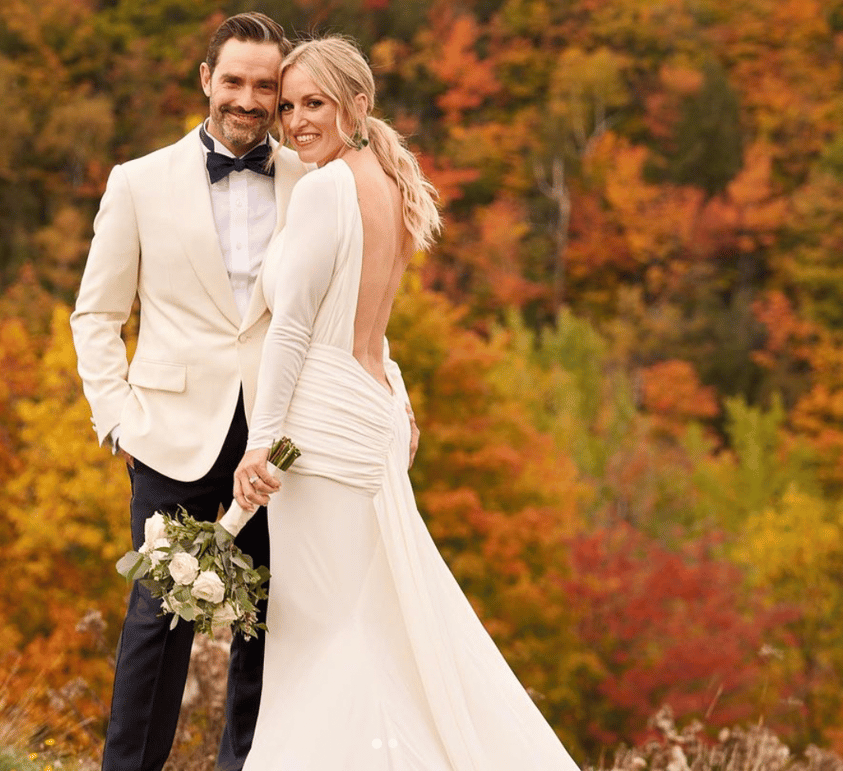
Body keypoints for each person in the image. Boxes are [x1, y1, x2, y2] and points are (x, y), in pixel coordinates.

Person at [231, 35, 583, 770]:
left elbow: (294, 327)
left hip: (321, 430)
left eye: (314, 103)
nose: (294, 121)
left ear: (357, 104)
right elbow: (374, 322)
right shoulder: (384, 179)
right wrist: (400, 397)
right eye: (288, 105)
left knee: (321, 636)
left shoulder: (328, 188)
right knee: (365, 623)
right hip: (369, 408)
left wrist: (259, 443)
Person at [70, 13, 308, 771]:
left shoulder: (313, 182)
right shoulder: (137, 182)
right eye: (233, 80)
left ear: (281, 92)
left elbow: (344, 308)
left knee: (269, 620)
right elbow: (97, 314)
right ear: (206, 79)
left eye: (265, 85)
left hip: (278, 435)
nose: (248, 98)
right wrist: (117, 420)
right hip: (169, 433)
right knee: (158, 619)